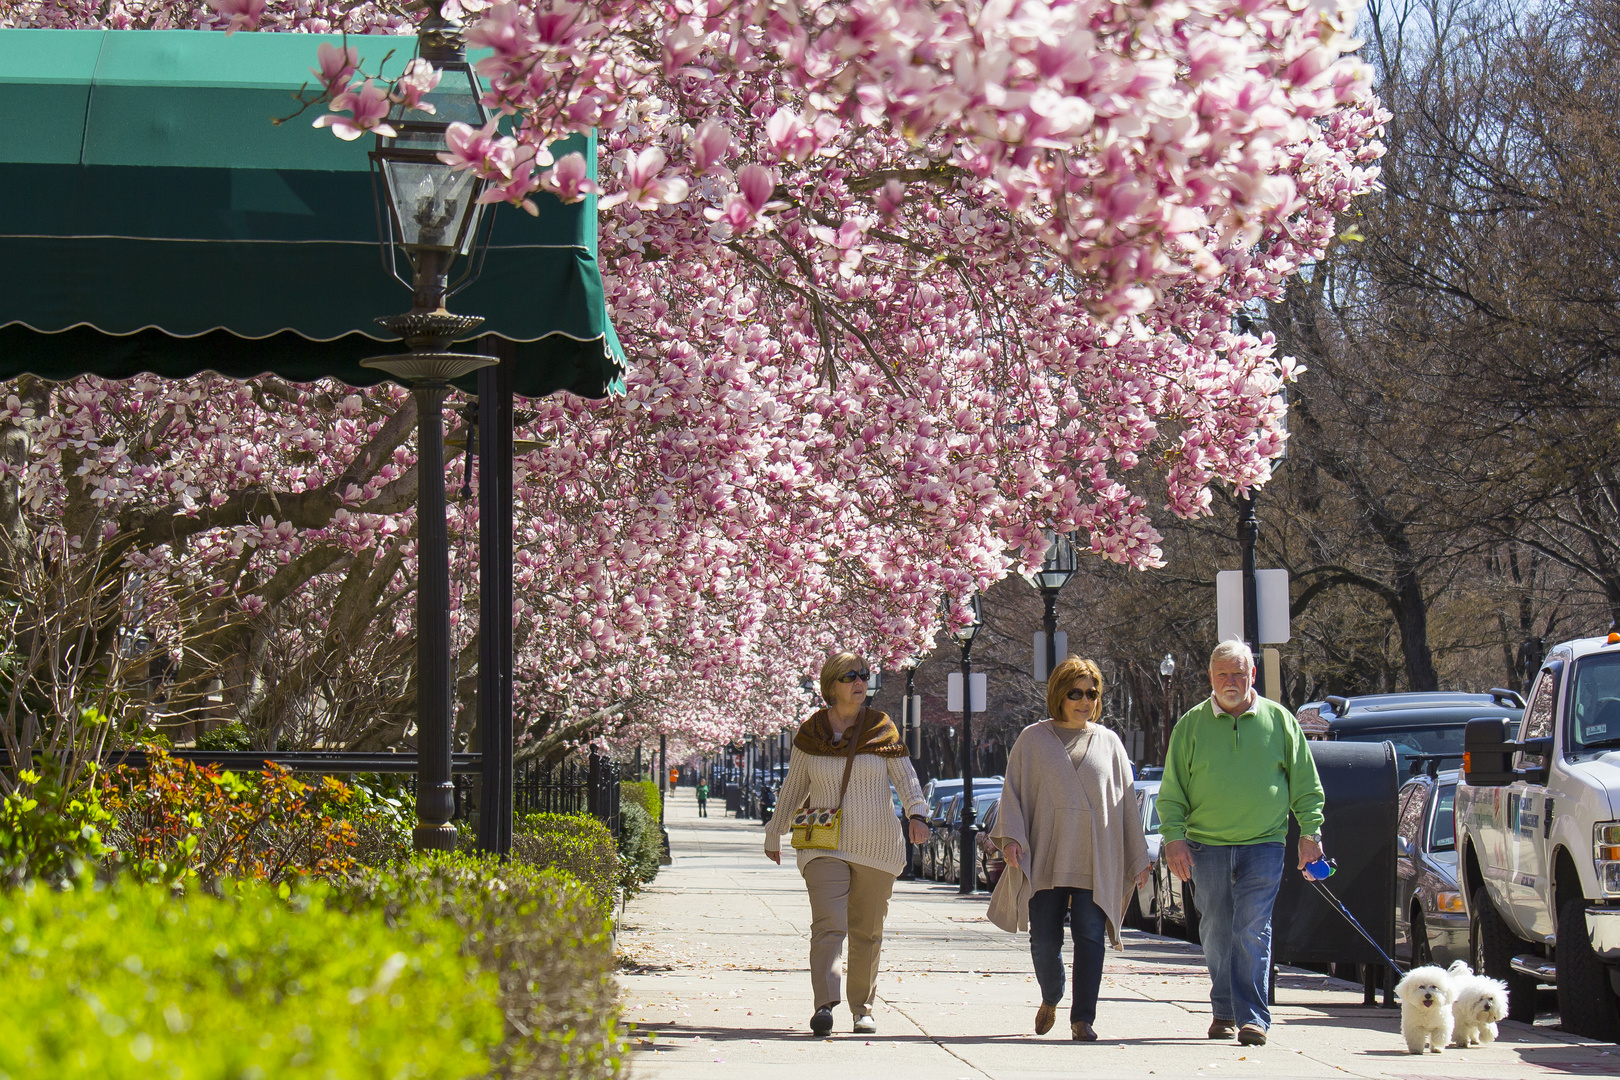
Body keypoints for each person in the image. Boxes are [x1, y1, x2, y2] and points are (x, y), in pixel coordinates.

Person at [1157, 639, 1325, 1048]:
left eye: (1238, 673)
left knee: (1252, 928)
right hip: (1205, 846)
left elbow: (1305, 784)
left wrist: (1310, 833)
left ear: (1253, 675)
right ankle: (1224, 1010)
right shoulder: (1191, 725)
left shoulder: (1280, 721)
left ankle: (1252, 1016)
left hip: (1264, 843)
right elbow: (1172, 790)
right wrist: (1174, 839)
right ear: (1210, 678)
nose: (1230, 681)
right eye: (1222, 674)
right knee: (1215, 927)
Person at [765, 652, 930, 1036]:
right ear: (831, 686)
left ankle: (862, 1008)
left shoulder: (880, 727)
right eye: (850, 676)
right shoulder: (812, 732)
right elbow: (795, 785)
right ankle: (824, 1004)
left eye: (864, 676)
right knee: (829, 924)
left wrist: (917, 813)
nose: (860, 682)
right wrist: (776, 829)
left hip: (876, 844)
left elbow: (905, 778)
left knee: (866, 931)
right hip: (823, 843)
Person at [988, 657, 1152, 1042]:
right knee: (1044, 938)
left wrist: (1137, 857)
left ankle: (1083, 1019)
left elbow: (1126, 803)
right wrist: (1012, 838)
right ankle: (1051, 994)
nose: (1084, 701)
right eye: (1075, 693)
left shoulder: (1109, 743)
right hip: (1045, 856)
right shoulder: (1032, 739)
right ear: (1058, 696)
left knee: (1090, 935)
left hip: (1096, 860)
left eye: (1091, 693)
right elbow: (1013, 793)